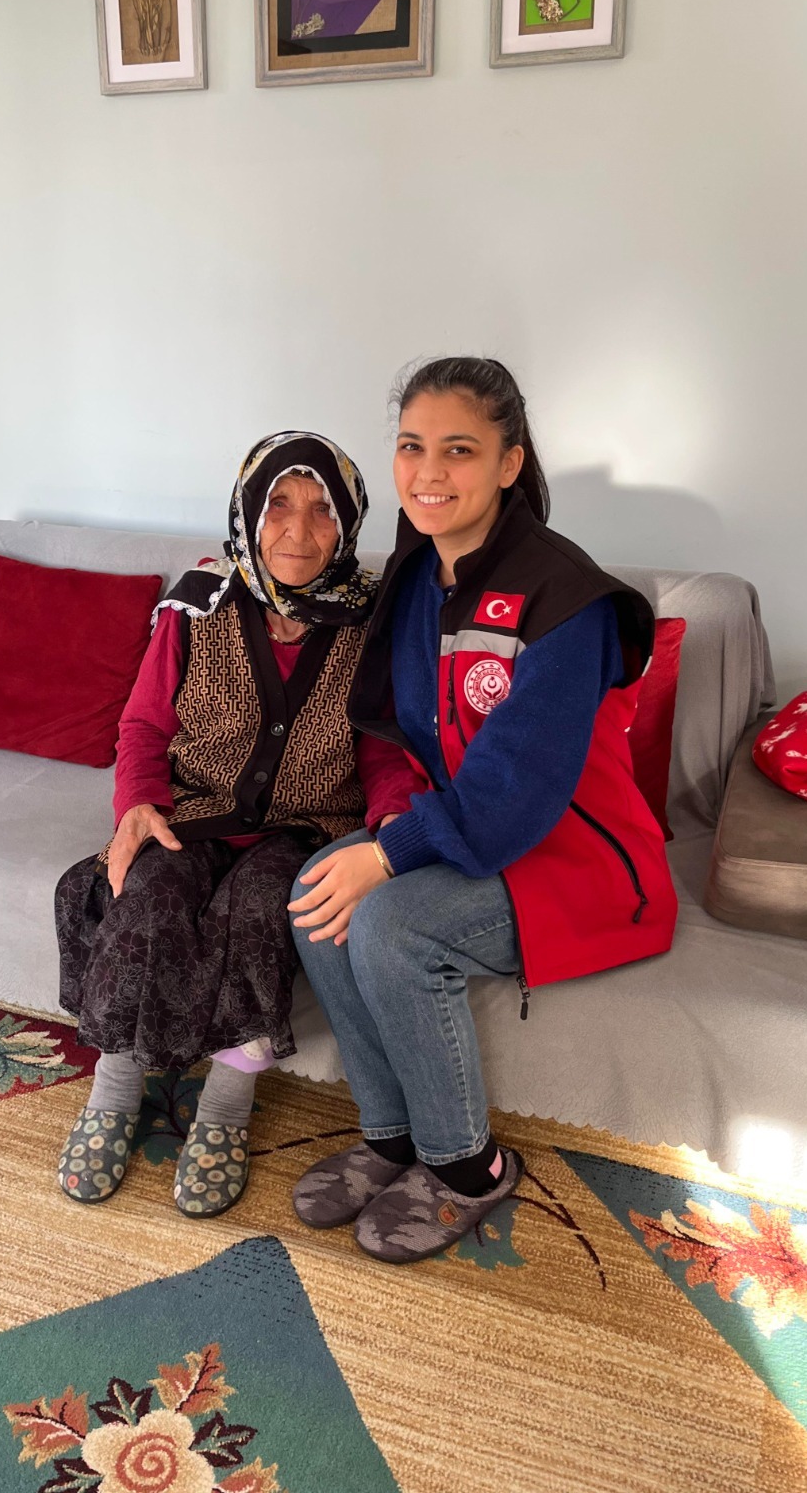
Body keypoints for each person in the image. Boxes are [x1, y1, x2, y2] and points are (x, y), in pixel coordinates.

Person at [288, 358, 678, 1264]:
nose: (429, 472)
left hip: (578, 858)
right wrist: (389, 829)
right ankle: (391, 1138)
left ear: (509, 463)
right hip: (473, 826)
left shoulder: (566, 599)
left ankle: (468, 1166)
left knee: (392, 925)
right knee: (316, 891)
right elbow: (396, 734)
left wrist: (391, 858)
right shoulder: (416, 578)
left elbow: (518, 789)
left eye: (458, 450)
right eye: (411, 447)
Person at [55, 432, 415, 1218]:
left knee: (262, 913)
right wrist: (138, 805)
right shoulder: (198, 603)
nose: (298, 530)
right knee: (146, 900)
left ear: (348, 524)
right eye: (279, 504)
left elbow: (384, 748)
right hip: (193, 813)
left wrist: (392, 823)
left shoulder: (373, 621)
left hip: (305, 826)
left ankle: (223, 1111)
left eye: (322, 510)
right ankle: (114, 1093)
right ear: (248, 512)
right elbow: (144, 726)